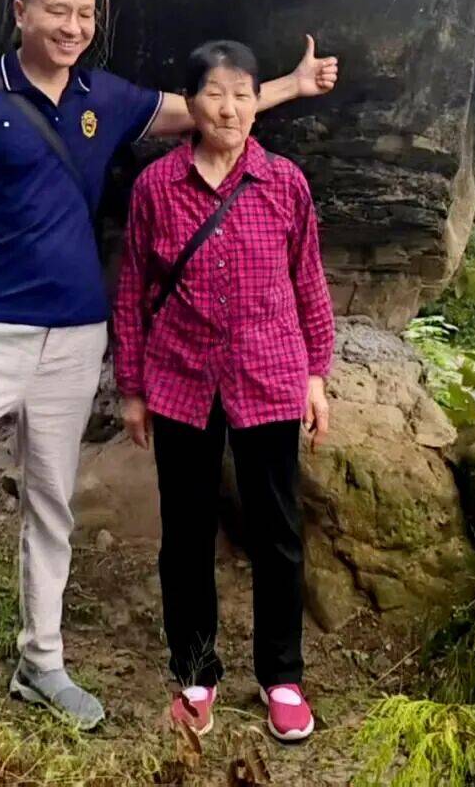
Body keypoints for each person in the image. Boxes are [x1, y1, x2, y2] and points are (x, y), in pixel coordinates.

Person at [0, 0, 338, 728]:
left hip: (74, 336)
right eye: (56, 11)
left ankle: (42, 663)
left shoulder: (107, 98)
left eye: (85, 14)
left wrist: (289, 85)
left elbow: (208, 109)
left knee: (52, 502)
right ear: (20, 12)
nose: (72, 26)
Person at [113, 39, 334, 746]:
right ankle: (195, 673)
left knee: (278, 532)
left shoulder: (284, 182)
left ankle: (282, 676)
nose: (229, 108)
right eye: (215, 93)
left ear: (256, 102)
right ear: (192, 103)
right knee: (185, 535)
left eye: (242, 94)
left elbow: (308, 279)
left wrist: (316, 374)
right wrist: (131, 386)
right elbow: (133, 289)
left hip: (269, 374)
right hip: (180, 379)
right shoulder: (156, 187)